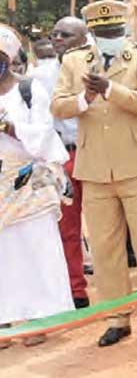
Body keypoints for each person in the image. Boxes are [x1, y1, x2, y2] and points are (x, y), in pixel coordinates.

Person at [52, 0, 137, 347]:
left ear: (123, 27)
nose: (107, 33)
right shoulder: (74, 61)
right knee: (106, 249)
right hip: (94, 167)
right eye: (100, 30)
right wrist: (85, 99)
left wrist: (110, 89)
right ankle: (117, 317)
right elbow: (58, 106)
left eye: (112, 29)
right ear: (92, 30)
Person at [0, 27, 73, 349]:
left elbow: (43, 136)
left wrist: (10, 128)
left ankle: (38, 318)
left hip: (29, 182)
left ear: (11, 58)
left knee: (34, 248)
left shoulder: (30, 90)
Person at [46, 17, 90, 309]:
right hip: (63, 158)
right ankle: (76, 290)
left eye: (66, 34)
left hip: (95, 154)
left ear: (84, 38)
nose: (58, 38)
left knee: (107, 226)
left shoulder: (94, 67)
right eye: (55, 34)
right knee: (68, 229)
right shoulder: (40, 77)